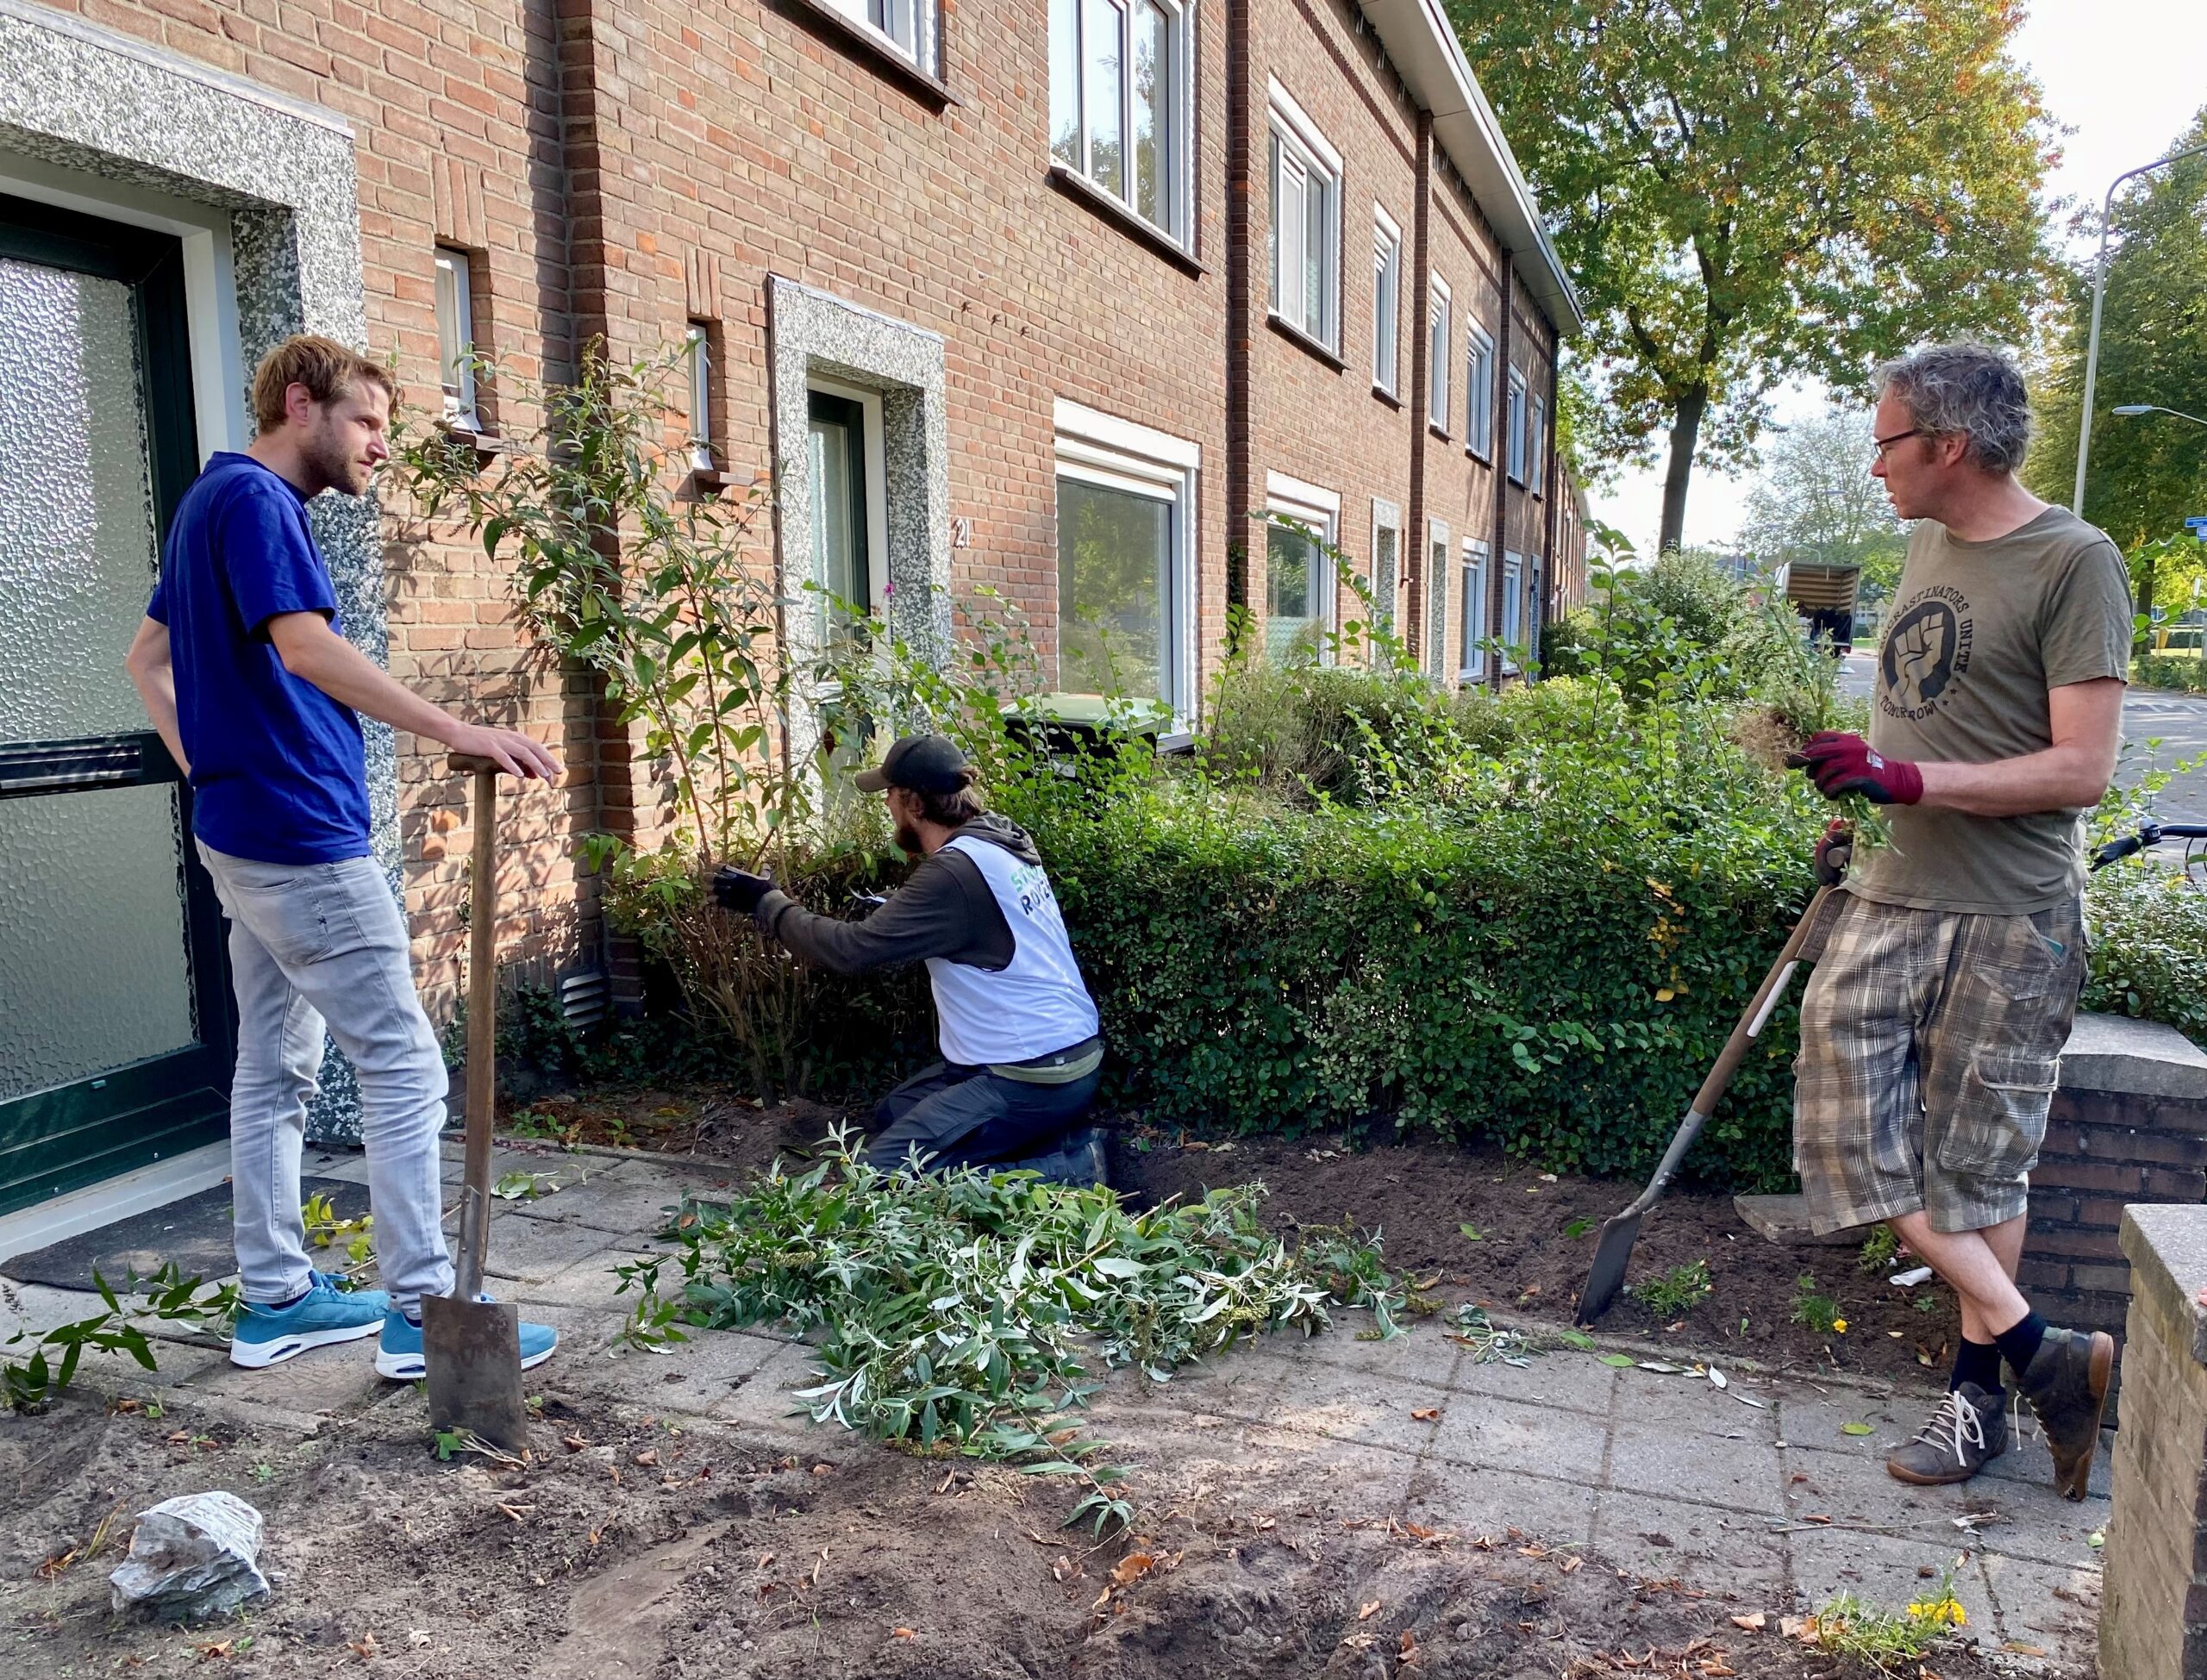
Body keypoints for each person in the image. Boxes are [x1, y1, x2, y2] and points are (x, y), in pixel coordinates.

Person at [125, 334, 565, 1379]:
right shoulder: (259, 504)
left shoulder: (206, 506)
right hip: (300, 837)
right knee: (404, 1061)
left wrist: (207, 765)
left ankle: (273, 1295)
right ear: (297, 403)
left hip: (245, 828)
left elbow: (144, 660)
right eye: (365, 421)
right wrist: (456, 730)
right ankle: (424, 1309)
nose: (379, 445)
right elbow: (305, 647)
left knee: (273, 1068)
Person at [1787, 342, 2133, 1498]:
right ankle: (2050, 1356)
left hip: (2011, 912)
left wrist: (1908, 783)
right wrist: (1864, 798)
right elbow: (1922, 718)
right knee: (1845, 1139)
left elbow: (2083, 769)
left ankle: (1979, 1405)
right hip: (1894, 886)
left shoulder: (2077, 563)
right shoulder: (1926, 538)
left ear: (1946, 446)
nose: (1873, 461)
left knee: (1979, 1174)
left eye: (1887, 440)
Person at [712, 734, 1107, 1181]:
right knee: (894, 1114)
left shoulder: (952, 873)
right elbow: (978, 919)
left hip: (1028, 1075)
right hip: (1060, 1056)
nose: (887, 807)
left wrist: (768, 903)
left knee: (876, 1180)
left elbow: (850, 951)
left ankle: (1070, 1169)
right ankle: (1042, 1140)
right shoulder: (995, 840)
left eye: (891, 796)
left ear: (916, 804)